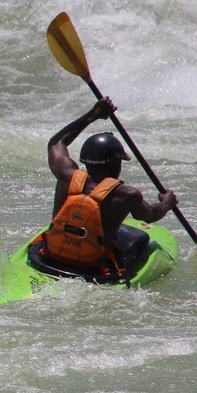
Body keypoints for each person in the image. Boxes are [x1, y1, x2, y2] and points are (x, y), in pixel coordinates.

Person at [38, 96, 178, 275]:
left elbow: (57, 142)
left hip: (51, 256)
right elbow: (149, 215)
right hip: (91, 265)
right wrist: (167, 203)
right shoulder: (126, 195)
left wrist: (93, 115)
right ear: (116, 165)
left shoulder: (66, 175)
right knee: (139, 239)